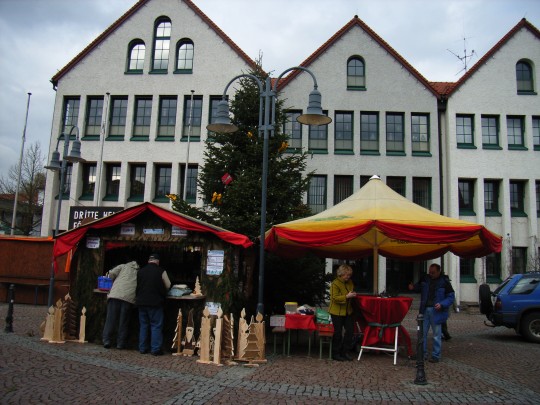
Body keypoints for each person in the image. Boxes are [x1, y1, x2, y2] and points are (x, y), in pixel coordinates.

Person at [408, 263, 455, 363]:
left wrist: (442, 304)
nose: (431, 274)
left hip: (437, 311)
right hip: (425, 310)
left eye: (433, 272)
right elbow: (418, 287)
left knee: (436, 334)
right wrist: (413, 287)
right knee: (422, 333)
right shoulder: (426, 278)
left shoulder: (444, 282)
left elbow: (451, 297)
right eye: (430, 272)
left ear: (439, 271)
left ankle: (435, 355)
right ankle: (423, 353)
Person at [135, 253, 171, 356]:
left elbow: (137, 285)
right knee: (156, 325)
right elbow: (168, 285)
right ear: (158, 261)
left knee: (143, 325)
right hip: (155, 302)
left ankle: (142, 348)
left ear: (148, 261)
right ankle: (155, 349)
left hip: (141, 302)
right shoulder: (161, 271)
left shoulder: (140, 271)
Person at [102, 260, 139, 349]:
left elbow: (110, 275)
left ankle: (106, 340)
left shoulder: (122, 266)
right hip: (128, 299)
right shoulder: (139, 272)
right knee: (123, 322)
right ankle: (120, 343)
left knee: (111, 319)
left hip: (115, 295)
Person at [329, 264, 357, 361]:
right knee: (338, 333)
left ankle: (345, 352)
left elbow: (351, 292)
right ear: (341, 274)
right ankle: (336, 353)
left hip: (348, 311)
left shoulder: (350, 282)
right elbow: (334, 298)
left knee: (350, 331)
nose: (348, 277)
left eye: (349, 275)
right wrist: (346, 296)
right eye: (346, 275)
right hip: (336, 312)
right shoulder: (335, 284)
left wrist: (353, 294)